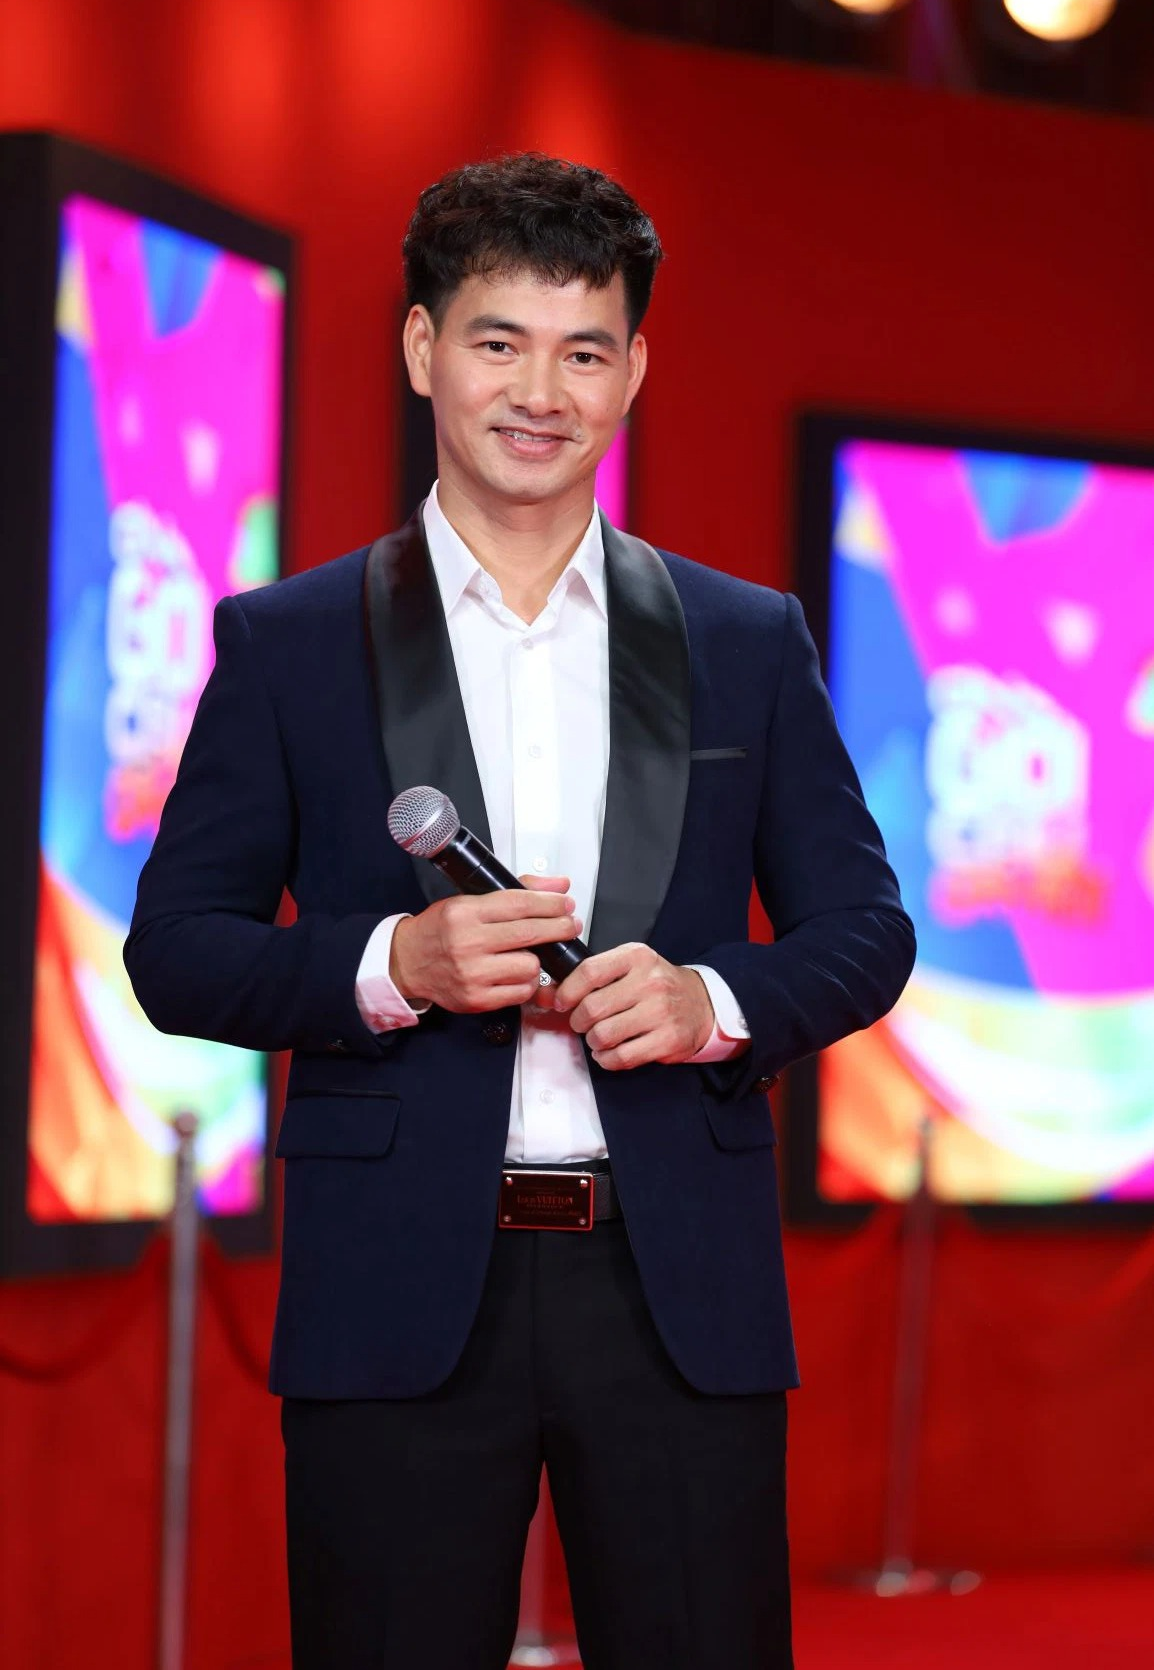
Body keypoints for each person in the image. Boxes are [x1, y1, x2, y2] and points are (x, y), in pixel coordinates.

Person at [125, 153, 915, 1670]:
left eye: (584, 351)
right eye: (499, 342)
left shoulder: (741, 639)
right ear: (423, 348)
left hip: (674, 1284)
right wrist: (390, 965)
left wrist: (710, 1004)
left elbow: (862, 929)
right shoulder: (293, 641)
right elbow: (177, 949)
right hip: (395, 1285)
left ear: (635, 371)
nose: (540, 392)